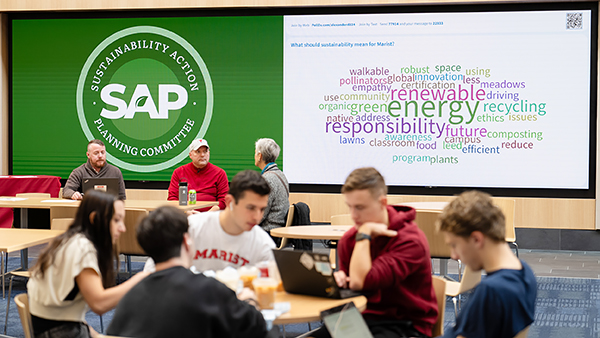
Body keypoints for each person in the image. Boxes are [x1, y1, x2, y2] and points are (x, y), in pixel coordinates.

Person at [107, 206, 275, 338]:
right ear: (187, 242)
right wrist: (250, 300)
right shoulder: (208, 290)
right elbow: (257, 327)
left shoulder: (129, 298)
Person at [313, 167, 438, 338]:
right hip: (358, 317)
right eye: (350, 207)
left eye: (360, 207)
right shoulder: (350, 240)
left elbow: (361, 282)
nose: (353, 215)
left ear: (383, 203)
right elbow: (353, 289)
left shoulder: (410, 240)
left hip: (404, 325)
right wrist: (340, 282)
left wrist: (364, 234)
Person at [27, 190, 148, 338]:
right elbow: (99, 304)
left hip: (54, 328)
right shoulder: (82, 248)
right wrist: (141, 278)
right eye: (117, 220)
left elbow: (70, 314)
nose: (123, 228)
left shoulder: (71, 240)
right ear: (95, 219)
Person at [436, 191, 536, 338]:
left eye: (454, 245)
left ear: (477, 239)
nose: (453, 255)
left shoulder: (491, 292)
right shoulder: (525, 272)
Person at [145, 170, 275, 272]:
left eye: (262, 209)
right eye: (250, 208)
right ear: (229, 201)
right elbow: (153, 270)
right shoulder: (192, 228)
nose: (257, 217)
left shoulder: (263, 245)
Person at [168, 138, 228, 212]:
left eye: (205, 151)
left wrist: (207, 215)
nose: (202, 155)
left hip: (211, 215)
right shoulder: (179, 172)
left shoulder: (220, 173)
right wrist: (186, 212)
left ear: (209, 153)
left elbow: (224, 200)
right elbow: (172, 198)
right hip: (185, 215)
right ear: (190, 155)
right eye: (198, 152)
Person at [254, 138, 290, 240]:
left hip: (267, 233)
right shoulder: (280, 174)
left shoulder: (267, 179)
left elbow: (260, 215)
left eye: (255, 153)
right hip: (278, 230)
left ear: (260, 156)